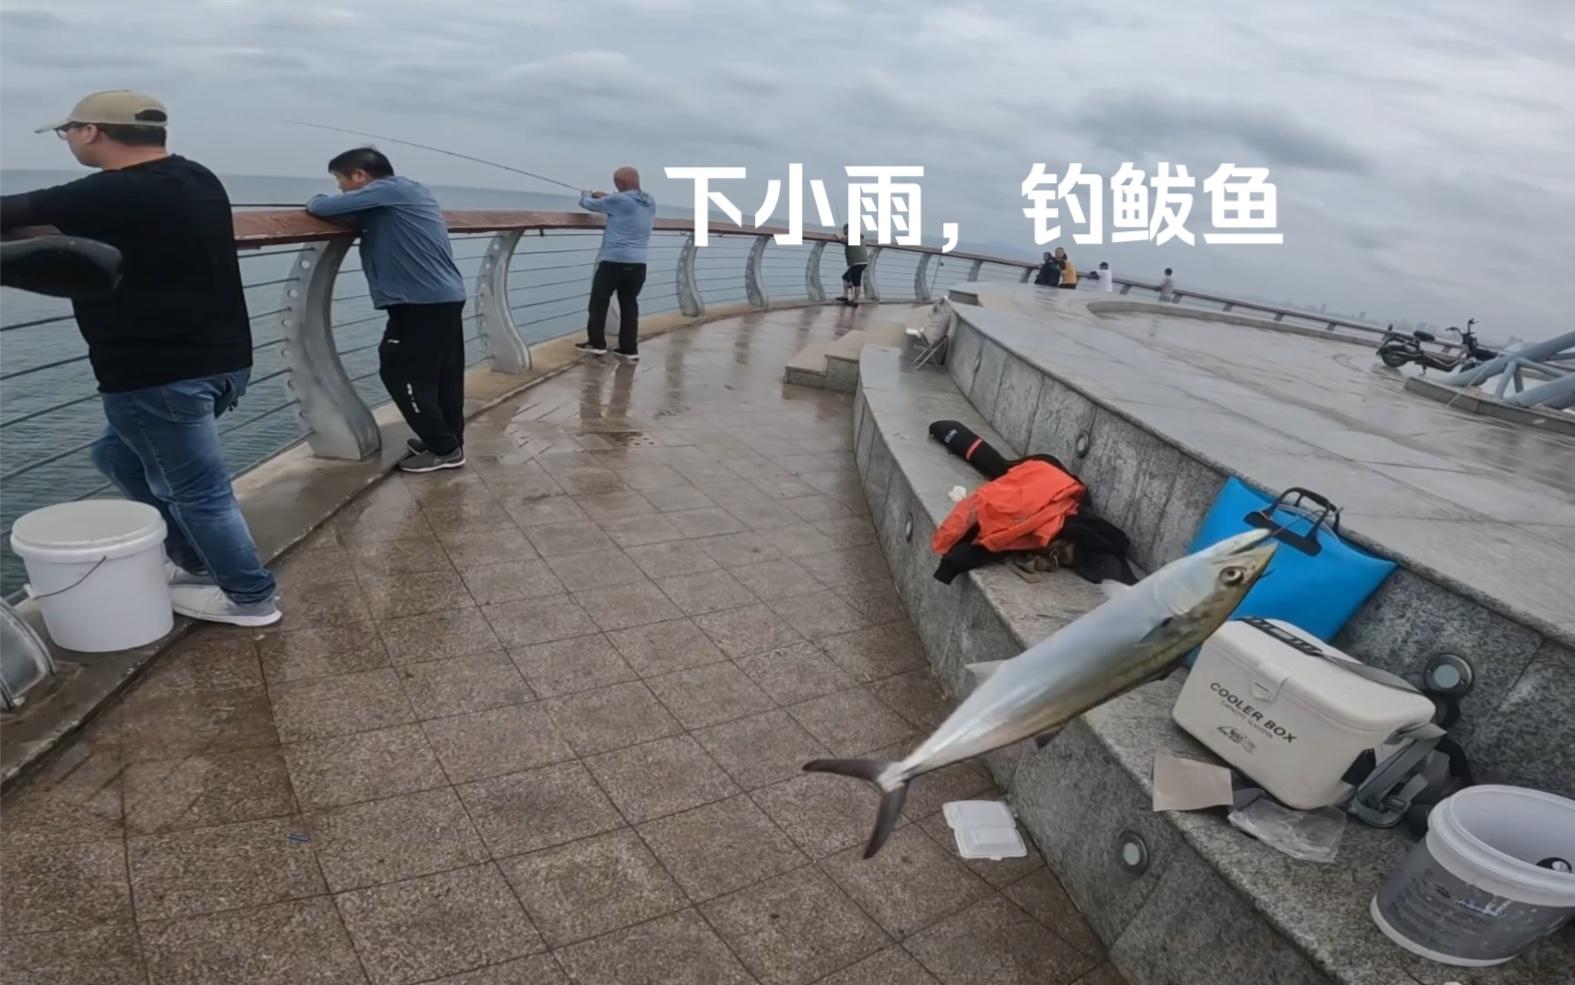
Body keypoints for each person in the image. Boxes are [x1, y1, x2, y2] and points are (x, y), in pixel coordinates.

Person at [0, 90, 279, 626]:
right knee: (119, 459)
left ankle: (250, 598)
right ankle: (195, 561)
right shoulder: (198, 177)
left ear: (92, 132)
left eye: (68, 132)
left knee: (199, 493)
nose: (69, 141)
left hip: (157, 372)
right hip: (224, 361)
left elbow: (12, 211)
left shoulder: (109, 194)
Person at [306, 148, 468, 473]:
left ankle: (445, 449)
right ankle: (447, 439)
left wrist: (317, 199)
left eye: (341, 180)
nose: (341, 189)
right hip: (440, 298)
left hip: (420, 304)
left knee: (399, 372)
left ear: (360, 176)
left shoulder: (387, 191)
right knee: (442, 376)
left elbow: (323, 207)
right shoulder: (407, 191)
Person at [576, 167, 654, 361]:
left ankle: (596, 343)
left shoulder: (619, 201)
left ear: (621, 184)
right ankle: (628, 348)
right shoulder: (649, 200)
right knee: (629, 304)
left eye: (616, 184)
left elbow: (588, 204)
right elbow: (620, 200)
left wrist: (586, 194)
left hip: (614, 261)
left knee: (599, 301)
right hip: (638, 264)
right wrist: (606, 195)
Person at [840, 223, 870, 305]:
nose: (844, 232)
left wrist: (836, 236)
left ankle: (855, 301)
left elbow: (843, 240)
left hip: (857, 262)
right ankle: (845, 296)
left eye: (844, 230)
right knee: (846, 277)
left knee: (856, 281)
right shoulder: (860, 237)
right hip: (862, 262)